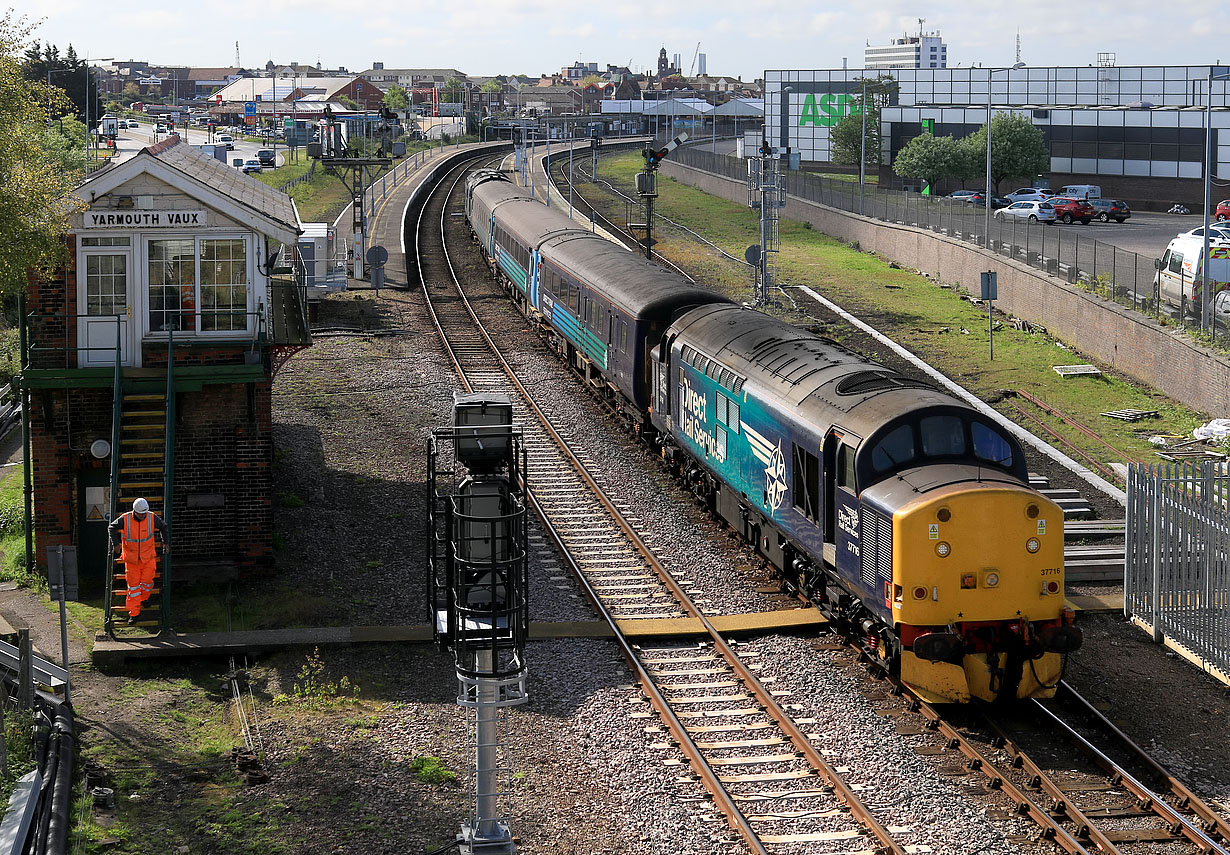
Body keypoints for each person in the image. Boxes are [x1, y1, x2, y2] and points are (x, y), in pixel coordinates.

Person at [108, 498, 170, 624]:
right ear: (134, 511)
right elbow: (111, 528)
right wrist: (116, 544)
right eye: (141, 513)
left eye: (144, 513)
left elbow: (164, 527)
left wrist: (166, 543)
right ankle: (134, 614)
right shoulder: (125, 519)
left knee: (147, 582)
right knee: (133, 588)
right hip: (132, 560)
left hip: (148, 558)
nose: (143, 515)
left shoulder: (152, 517)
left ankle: (143, 598)